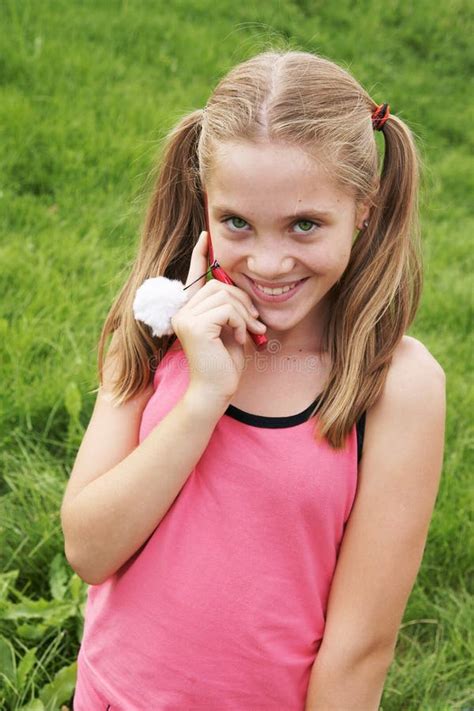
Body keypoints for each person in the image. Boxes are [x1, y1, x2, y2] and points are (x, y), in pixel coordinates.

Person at [61, 49, 446, 710]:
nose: (269, 262)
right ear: (205, 204)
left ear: (363, 208)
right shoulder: (158, 325)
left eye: (305, 224)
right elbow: (89, 549)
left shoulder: (395, 387)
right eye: (237, 222)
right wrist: (203, 398)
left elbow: (358, 652)